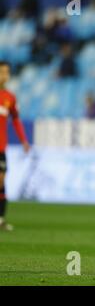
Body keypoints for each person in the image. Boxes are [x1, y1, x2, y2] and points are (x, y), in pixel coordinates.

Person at [0, 61, 30, 231]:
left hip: (1, 147)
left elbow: (16, 120)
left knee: (2, 180)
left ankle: (1, 218)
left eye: (7, 72)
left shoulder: (9, 98)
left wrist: (23, 140)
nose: (4, 75)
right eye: (1, 72)